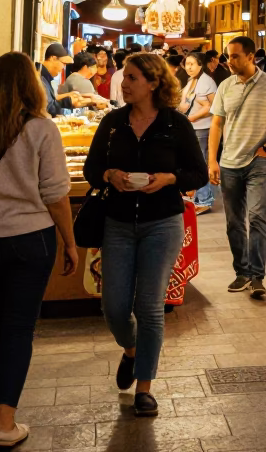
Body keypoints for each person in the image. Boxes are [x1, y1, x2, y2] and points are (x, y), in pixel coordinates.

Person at [84, 53, 207, 418]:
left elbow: (196, 174)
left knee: (150, 306)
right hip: (118, 223)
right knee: (114, 306)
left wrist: (170, 179)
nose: (124, 84)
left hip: (162, 223)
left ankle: (145, 387)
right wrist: (110, 176)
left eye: (132, 78)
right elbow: (93, 168)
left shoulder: (175, 125)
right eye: (125, 78)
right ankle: (131, 349)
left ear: (153, 83)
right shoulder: (112, 123)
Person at [0, 52, 78, 448]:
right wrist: (69, 242)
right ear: (32, 84)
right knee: (16, 329)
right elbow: (56, 194)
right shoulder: (43, 129)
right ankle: (4, 422)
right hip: (31, 238)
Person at [208, 36, 266, 300]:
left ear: (250, 57)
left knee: (256, 216)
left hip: (258, 162)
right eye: (228, 56)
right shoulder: (224, 86)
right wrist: (212, 159)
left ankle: (257, 276)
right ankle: (241, 272)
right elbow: (217, 125)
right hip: (229, 162)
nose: (229, 61)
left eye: (235, 56)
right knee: (234, 221)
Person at [177, 52, 218, 215]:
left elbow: (213, 106)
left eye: (192, 64)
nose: (189, 67)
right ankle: (199, 197)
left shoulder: (207, 82)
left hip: (202, 127)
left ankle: (204, 199)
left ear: (201, 65)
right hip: (193, 127)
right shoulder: (191, 80)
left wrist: (193, 117)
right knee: (196, 162)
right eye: (187, 64)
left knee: (201, 163)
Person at [38, 42, 83, 117]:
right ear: (53, 58)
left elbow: (51, 99)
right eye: (63, 63)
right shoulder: (38, 75)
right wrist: (67, 101)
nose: (63, 68)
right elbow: (48, 107)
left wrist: (69, 95)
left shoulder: (45, 76)